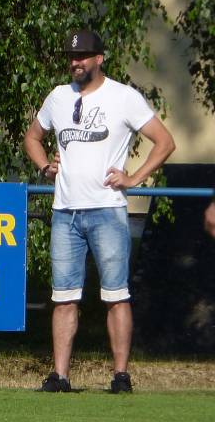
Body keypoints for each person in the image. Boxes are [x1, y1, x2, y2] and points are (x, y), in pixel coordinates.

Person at [24, 29, 175, 393]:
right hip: (65, 212)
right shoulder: (58, 97)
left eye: (83, 56)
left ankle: (120, 375)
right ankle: (60, 375)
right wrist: (45, 165)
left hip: (107, 210)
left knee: (116, 295)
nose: (75, 63)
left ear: (99, 58)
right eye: (71, 57)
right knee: (63, 297)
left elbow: (165, 141)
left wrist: (134, 177)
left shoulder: (123, 96)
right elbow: (32, 137)